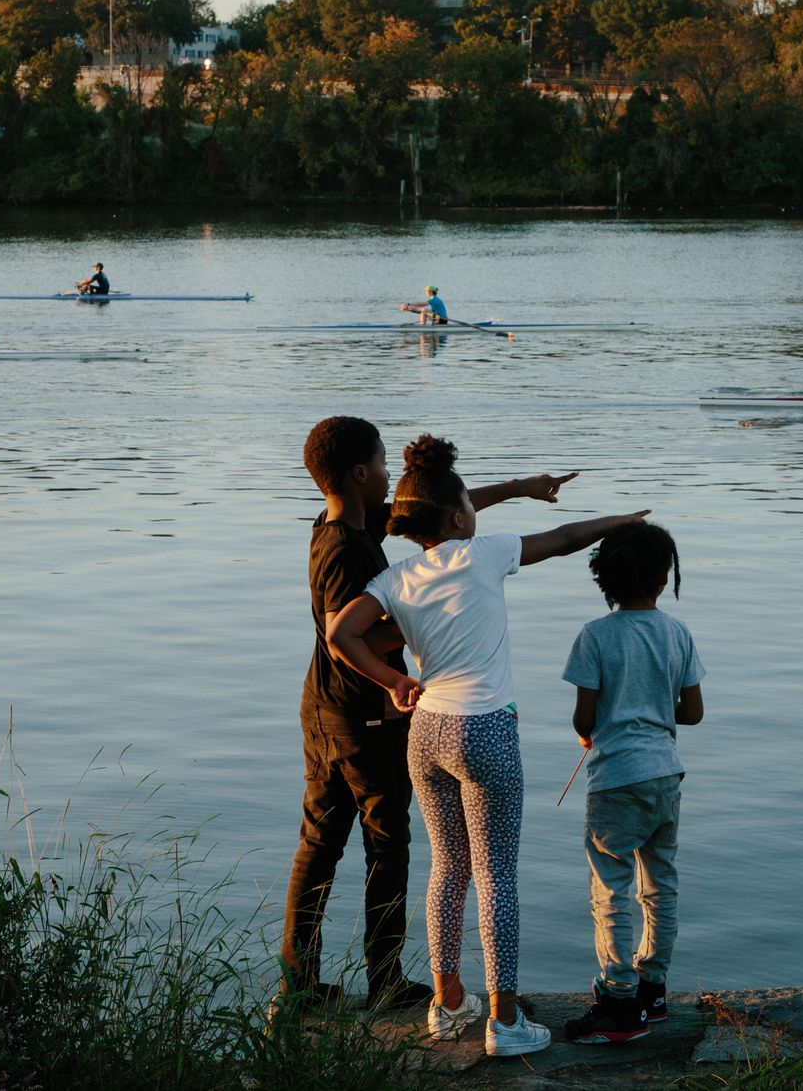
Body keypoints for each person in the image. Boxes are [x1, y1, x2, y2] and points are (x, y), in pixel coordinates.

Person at [328, 435, 647, 1058]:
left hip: (426, 732)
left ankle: (447, 1006)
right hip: (486, 728)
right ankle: (504, 1022)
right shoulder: (483, 552)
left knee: (447, 870)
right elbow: (562, 538)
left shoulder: (397, 576)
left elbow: (342, 632)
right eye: (468, 505)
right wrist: (622, 520)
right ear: (458, 517)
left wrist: (395, 681)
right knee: (496, 874)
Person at [284, 418, 578, 1017]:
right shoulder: (346, 550)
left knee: (320, 843)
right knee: (386, 844)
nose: (393, 476)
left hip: (325, 710)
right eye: (385, 463)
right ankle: (382, 980)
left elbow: (441, 515)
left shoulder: (340, 525)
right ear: (362, 473)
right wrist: (432, 623)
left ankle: (301, 985)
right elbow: (350, 633)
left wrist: (519, 488)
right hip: (360, 717)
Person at [560, 522, 704, 1045]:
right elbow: (692, 712)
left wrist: (596, 729)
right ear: (663, 579)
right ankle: (653, 989)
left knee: (612, 890)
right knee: (660, 884)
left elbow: (583, 719)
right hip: (666, 776)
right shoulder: (678, 633)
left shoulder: (595, 636)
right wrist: (651, 707)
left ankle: (619, 1002)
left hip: (616, 780)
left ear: (607, 579)